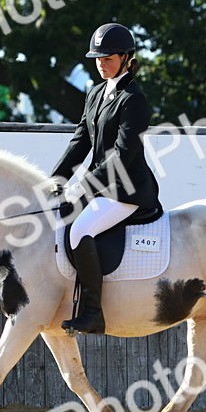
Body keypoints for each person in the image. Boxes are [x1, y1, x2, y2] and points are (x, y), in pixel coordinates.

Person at [49, 22, 162, 335]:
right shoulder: (96, 93)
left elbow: (122, 157)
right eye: (97, 58)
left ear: (126, 57)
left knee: (80, 230)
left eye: (107, 58)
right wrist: (56, 179)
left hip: (127, 190)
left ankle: (92, 312)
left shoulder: (133, 99)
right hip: (100, 187)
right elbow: (81, 140)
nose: (101, 63)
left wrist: (83, 187)